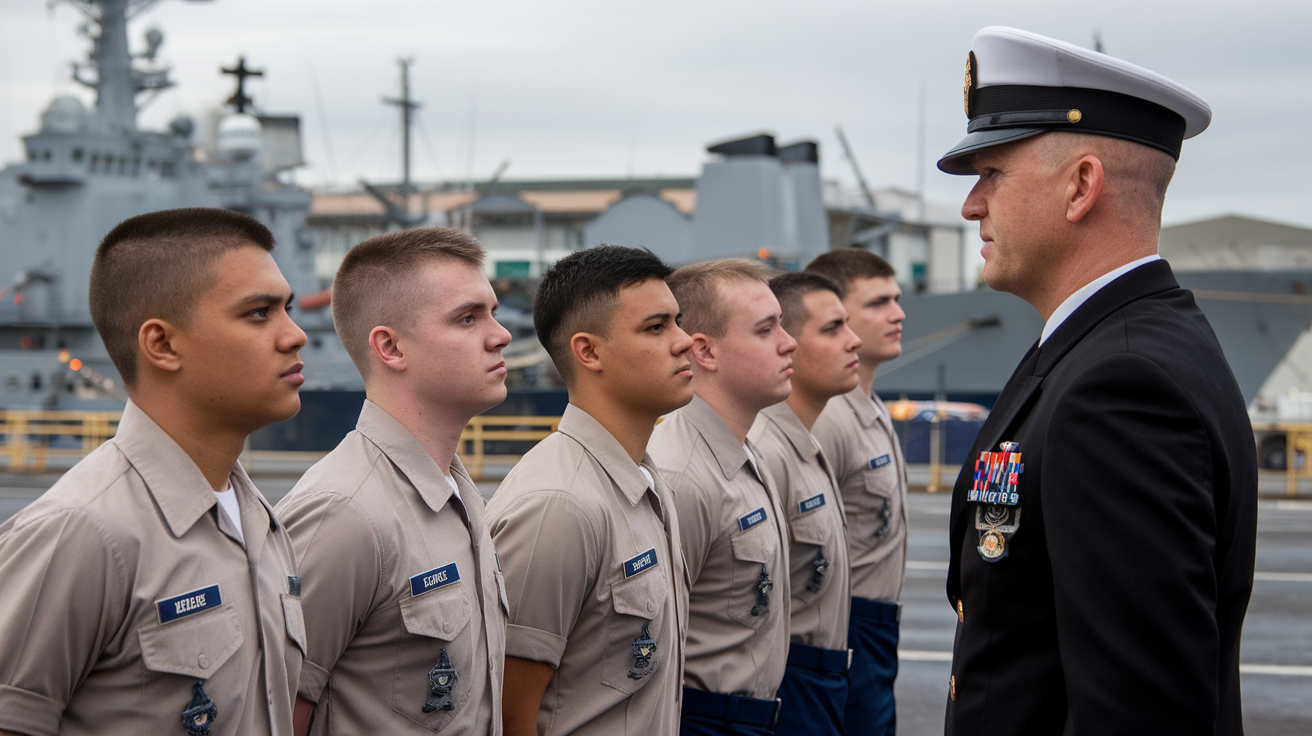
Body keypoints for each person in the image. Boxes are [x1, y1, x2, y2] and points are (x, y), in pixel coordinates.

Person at [936, 26, 1257, 735]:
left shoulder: (1119, 386)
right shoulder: (1111, 348)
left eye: (992, 174)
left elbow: (1139, 713)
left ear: (1082, 186)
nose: (971, 205)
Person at [0, 208, 308, 736]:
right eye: (259, 313)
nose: (295, 335)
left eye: (287, 308)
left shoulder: (256, 518)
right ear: (162, 345)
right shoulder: (81, 532)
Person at [275, 228, 510, 735]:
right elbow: (277, 716)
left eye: (492, 312)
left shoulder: (458, 495)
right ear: (390, 347)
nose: (500, 334)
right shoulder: (343, 513)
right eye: (468, 318)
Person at [486, 245, 692, 736]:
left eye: (677, 322)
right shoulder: (559, 507)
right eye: (656, 327)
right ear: (589, 351)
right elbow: (511, 718)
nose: (685, 341)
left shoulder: (641, 478)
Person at [647, 259, 793, 736]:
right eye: (766, 329)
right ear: (704, 352)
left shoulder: (742, 452)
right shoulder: (681, 475)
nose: (789, 342)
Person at [747, 272, 862, 736]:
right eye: (832, 328)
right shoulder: (766, 451)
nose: (853, 341)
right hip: (790, 677)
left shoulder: (804, 441)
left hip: (824, 670)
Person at [806, 248, 908, 736]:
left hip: (875, 624)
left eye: (896, 299)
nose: (898, 313)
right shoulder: (829, 419)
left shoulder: (869, 405)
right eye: (879, 303)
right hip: (847, 621)